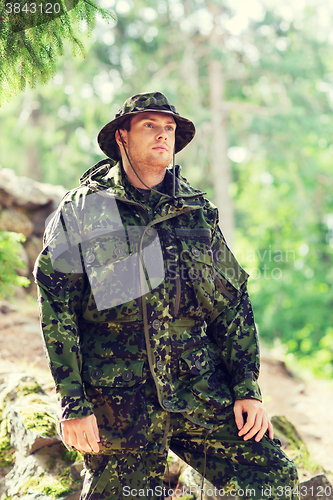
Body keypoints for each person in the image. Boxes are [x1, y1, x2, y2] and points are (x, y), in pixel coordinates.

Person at [34, 91, 299, 500]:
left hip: (198, 390)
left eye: (170, 128)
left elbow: (231, 304)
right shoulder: (86, 209)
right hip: (120, 402)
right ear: (122, 136)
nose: (163, 136)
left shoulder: (197, 212)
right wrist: (74, 404)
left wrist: (246, 387)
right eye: (150, 126)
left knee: (273, 480)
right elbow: (57, 306)